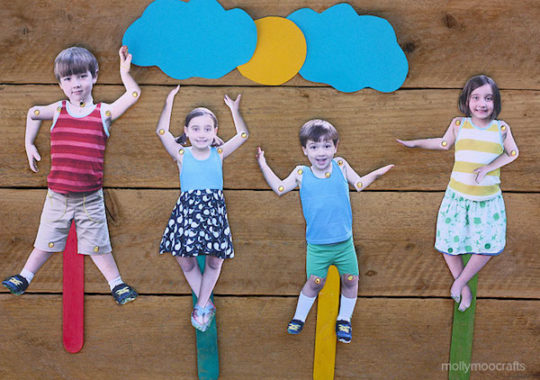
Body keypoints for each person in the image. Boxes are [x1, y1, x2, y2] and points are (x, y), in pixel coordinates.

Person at [2, 46, 141, 305]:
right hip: (58, 194)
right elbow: (33, 112)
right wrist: (28, 144)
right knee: (46, 239)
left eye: (81, 76)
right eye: (67, 78)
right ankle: (24, 276)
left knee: (98, 243)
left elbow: (133, 94)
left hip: (90, 196)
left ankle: (117, 284)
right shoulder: (58, 109)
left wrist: (124, 72)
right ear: (60, 83)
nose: (75, 84)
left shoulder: (103, 113)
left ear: (94, 76)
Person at [256, 119, 393, 343]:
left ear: (335, 147)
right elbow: (280, 189)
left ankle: (344, 320)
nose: (321, 152)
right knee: (315, 282)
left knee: (351, 280)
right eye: (314, 146)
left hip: (344, 244)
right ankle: (299, 317)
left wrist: (378, 173)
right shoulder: (301, 173)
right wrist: (263, 163)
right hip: (318, 247)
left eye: (327, 146)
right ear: (305, 150)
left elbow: (358, 184)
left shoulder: (340, 166)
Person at [397, 75, 519, 311]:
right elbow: (442, 144)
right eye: (475, 98)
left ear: (496, 102)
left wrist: (489, 168)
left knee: (487, 245)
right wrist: (415, 143)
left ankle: (460, 281)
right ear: (466, 100)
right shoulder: (458, 125)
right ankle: (464, 289)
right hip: (457, 198)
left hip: (487, 201)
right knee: (447, 242)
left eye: (488, 98)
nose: (481, 104)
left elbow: (513, 153)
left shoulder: (501, 128)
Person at [156, 85, 249, 331]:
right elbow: (162, 131)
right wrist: (169, 101)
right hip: (188, 211)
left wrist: (234, 110)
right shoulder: (181, 154)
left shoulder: (218, 153)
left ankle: (201, 306)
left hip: (212, 211)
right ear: (186, 131)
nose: (201, 134)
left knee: (214, 262)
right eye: (195, 129)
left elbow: (242, 136)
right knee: (184, 260)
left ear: (215, 132)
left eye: (208, 129)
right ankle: (205, 304)